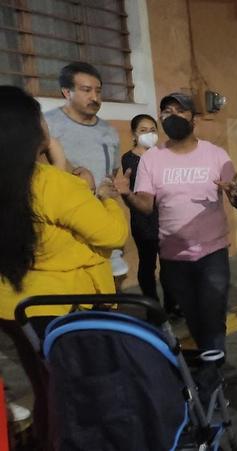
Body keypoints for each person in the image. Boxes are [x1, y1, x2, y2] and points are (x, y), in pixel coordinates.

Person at [0, 86, 128, 450]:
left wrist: (62, 170)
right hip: (63, 309)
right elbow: (113, 235)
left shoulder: (23, 180)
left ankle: (47, 438)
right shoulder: (54, 184)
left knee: (45, 386)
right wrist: (102, 196)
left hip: (12, 305)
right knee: (76, 394)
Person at [118, 93, 237, 352]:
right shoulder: (151, 159)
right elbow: (146, 205)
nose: (172, 115)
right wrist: (127, 195)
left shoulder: (216, 154)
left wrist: (236, 194)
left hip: (212, 253)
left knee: (212, 317)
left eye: (180, 110)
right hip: (173, 256)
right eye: (167, 111)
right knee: (194, 318)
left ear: (193, 119)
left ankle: (212, 375)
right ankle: (209, 366)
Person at [43, 61, 128, 289]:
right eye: (86, 90)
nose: (95, 97)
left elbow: (111, 173)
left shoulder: (108, 132)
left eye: (98, 91)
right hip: (65, 231)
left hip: (102, 224)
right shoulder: (47, 126)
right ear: (66, 92)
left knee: (113, 287)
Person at [121, 114, 181, 316]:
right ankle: (152, 307)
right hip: (144, 219)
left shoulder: (164, 155)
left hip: (165, 217)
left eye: (153, 130)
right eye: (143, 131)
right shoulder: (129, 159)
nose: (149, 134)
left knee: (169, 265)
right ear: (134, 135)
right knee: (147, 264)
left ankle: (172, 305)